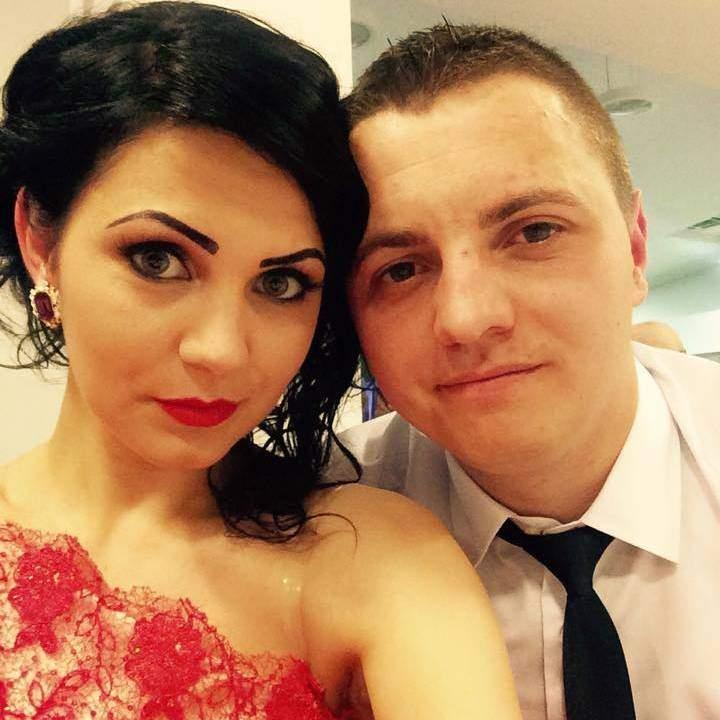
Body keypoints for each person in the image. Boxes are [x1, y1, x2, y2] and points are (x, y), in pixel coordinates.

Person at [0, 5, 522, 718]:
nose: (220, 351)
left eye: (281, 284)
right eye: (158, 259)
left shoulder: (371, 560)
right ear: (40, 240)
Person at [336, 22, 720, 720]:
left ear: (635, 250)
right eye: (401, 269)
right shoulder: (322, 523)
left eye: (534, 232)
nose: (466, 318)